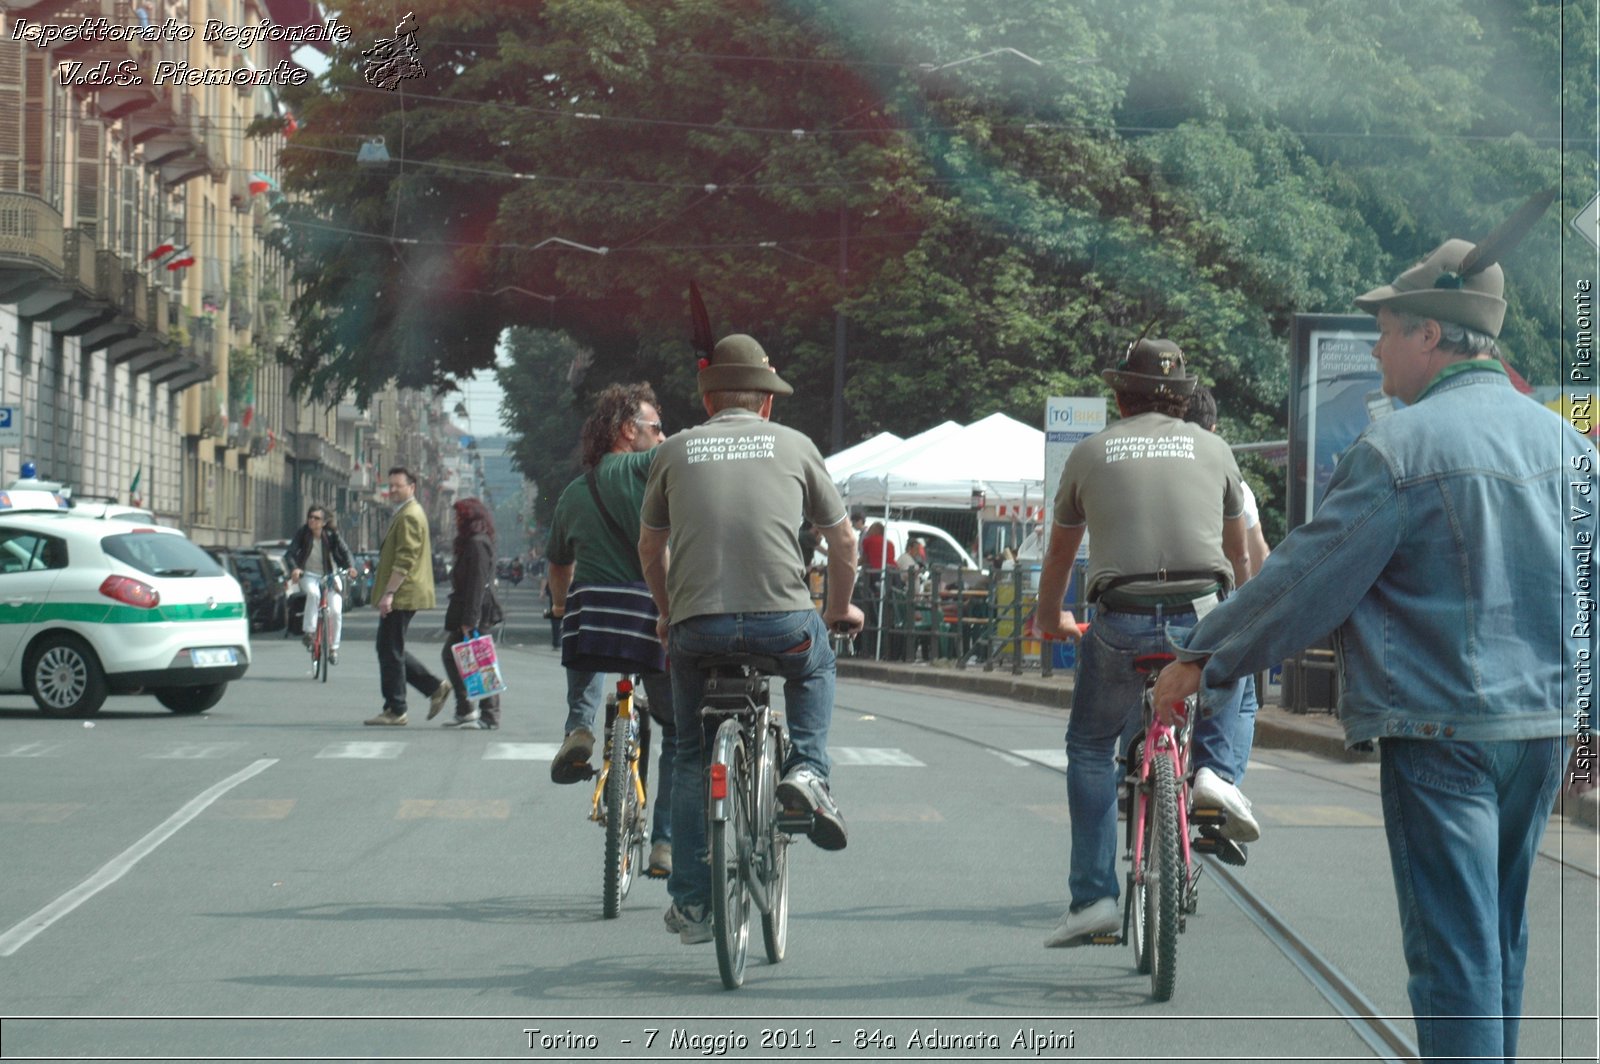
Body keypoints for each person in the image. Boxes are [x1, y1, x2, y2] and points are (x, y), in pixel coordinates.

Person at [1152, 203, 1589, 1064]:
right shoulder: (1572, 449)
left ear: (1434, 334)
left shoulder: (1398, 451)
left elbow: (1304, 579)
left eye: (1388, 332)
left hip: (1440, 730)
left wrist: (1202, 658)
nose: (1380, 350)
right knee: (1500, 942)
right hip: (1541, 730)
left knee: (1451, 955)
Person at [639, 333, 864, 945]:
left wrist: (667, 612)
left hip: (697, 629)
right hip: (782, 624)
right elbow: (844, 542)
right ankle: (808, 772)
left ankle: (690, 903)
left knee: (690, 753)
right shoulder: (795, 446)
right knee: (814, 664)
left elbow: (650, 548)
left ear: (709, 401)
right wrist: (839, 608)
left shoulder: (674, 451)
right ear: (766, 402)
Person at [1033, 336, 1255, 948]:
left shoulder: (1089, 452)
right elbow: (1238, 555)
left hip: (1120, 617)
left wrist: (1049, 618)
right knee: (1235, 679)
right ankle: (1215, 775)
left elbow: (1059, 554)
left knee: (1089, 745)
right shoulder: (1215, 449)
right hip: (1202, 615)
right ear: (1183, 400)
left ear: (1118, 396)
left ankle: (1093, 899)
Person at [546, 383, 677, 877]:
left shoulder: (573, 491)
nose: (662, 436)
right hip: (648, 617)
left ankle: (579, 727)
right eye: (655, 426)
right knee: (681, 736)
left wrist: (561, 606)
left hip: (593, 616)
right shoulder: (650, 470)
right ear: (628, 431)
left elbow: (559, 562)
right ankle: (664, 841)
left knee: (581, 646)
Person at [365, 467, 448, 726]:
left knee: (390, 648)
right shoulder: (405, 512)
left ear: (411, 487)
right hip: (401, 593)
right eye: (390, 486)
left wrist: (389, 593)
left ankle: (397, 708)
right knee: (389, 647)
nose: (392, 490)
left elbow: (405, 558)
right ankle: (431, 689)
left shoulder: (410, 515)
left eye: (397, 486)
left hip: (402, 593)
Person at [437, 497, 504, 729]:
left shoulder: (477, 543)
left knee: (481, 660)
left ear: (471, 519)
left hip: (477, 611)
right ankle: (467, 709)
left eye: (460, 517)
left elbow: (477, 583)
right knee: (457, 655)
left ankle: (487, 714)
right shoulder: (474, 542)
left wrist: (470, 620)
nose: (456, 521)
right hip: (471, 609)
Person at [284, 505, 359, 664]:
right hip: (309, 575)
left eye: (316, 518)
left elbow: (345, 552)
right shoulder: (303, 533)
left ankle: (333, 649)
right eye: (310, 517)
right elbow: (290, 553)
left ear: (324, 522)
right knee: (314, 594)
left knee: (336, 612)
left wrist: (351, 567)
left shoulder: (332, 535)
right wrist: (295, 569)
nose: (312, 520)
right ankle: (309, 633)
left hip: (331, 575)